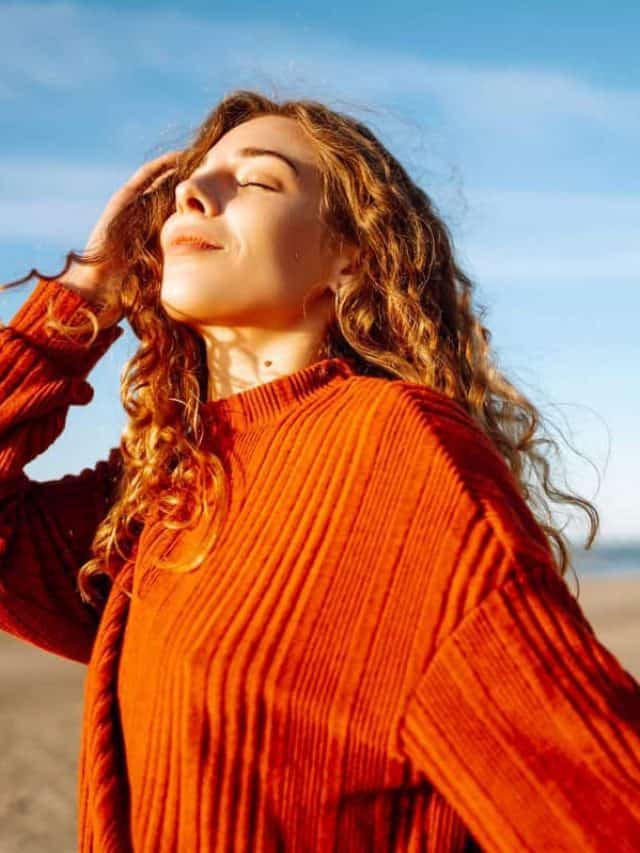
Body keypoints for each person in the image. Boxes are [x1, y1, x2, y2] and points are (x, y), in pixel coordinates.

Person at [0, 89, 638, 852]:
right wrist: (88, 291)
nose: (192, 194)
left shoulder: (392, 448)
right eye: (187, 183)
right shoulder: (165, 487)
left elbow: (596, 797)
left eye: (260, 180)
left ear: (351, 251)